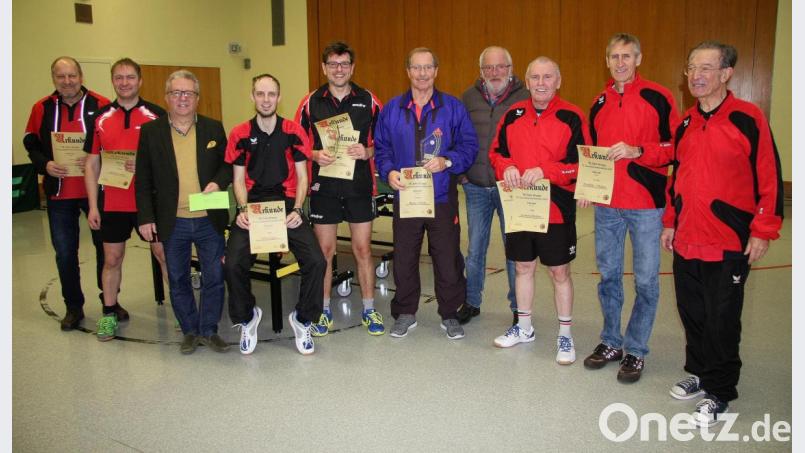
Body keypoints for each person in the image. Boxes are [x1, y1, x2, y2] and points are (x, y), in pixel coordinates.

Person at [661, 41, 783, 427]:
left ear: (726, 73)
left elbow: (769, 177)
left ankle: (720, 391)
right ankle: (699, 373)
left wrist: (763, 229)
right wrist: (670, 221)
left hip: (728, 241)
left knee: (722, 319)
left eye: (706, 68)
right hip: (687, 239)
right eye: (691, 68)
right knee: (692, 312)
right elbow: (676, 178)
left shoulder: (749, 118)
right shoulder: (685, 122)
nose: (696, 75)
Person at [581, 33, 681, 382]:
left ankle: (636, 349)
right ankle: (611, 341)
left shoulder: (659, 96)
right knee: (608, 277)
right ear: (606, 61)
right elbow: (593, 153)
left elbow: (676, 147)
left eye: (626, 56)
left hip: (646, 205)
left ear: (638, 58)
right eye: (614, 57)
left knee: (646, 281)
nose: (620, 62)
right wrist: (587, 187)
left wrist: (639, 150)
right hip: (607, 206)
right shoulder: (598, 102)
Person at [488, 57, 589, 365]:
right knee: (522, 267)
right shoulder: (513, 114)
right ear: (527, 81)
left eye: (547, 77)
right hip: (520, 207)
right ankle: (524, 326)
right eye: (535, 77)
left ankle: (566, 335)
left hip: (556, 209)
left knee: (559, 272)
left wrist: (545, 170)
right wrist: (508, 168)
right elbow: (496, 152)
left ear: (558, 81)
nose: (541, 83)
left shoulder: (572, 116)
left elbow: (580, 164)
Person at [374, 47, 478, 340]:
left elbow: (468, 146)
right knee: (405, 256)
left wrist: (447, 161)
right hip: (406, 196)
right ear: (408, 71)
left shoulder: (454, 108)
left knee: (446, 256)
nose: (422, 73)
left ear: (436, 71)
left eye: (427, 67)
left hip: (441, 197)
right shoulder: (392, 109)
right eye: (416, 68)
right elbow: (382, 149)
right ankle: (405, 312)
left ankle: (450, 312)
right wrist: (389, 171)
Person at [224, 74, 326, 355]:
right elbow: (238, 179)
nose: (266, 99)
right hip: (253, 208)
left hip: (287, 208)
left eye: (271, 94)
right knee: (232, 264)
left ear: (279, 97)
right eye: (260, 94)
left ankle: (303, 318)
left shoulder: (294, 131)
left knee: (316, 261)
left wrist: (297, 209)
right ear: (252, 97)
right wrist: (243, 211)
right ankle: (247, 317)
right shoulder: (239, 134)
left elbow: (304, 177)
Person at [135, 70, 232, 355]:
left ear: (197, 98)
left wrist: (218, 181)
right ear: (166, 98)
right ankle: (189, 330)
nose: (182, 98)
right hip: (171, 220)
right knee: (177, 278)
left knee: (214, 276)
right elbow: (143, 178)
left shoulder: (214, 128)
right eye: (176, 93)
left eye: (188, 93)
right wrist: (145, 218)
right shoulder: (151, 133)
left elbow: (228, 165)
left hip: (208, 218)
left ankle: (209, 330)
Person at [295, 41, 384, 336]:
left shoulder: (369, 100)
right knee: (325, 252)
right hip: (324, 188)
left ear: (352, 67)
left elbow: (384, 143)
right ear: (324, 68)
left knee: (362, 249)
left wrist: (367, 152)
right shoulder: (310, 103)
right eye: (333, 64)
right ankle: (323, 311)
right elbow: (296, 146)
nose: (339, 69)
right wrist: (314, 155)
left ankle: (370, 309)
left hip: (359, 186)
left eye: (344, 64)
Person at [23, 56, 111, 331]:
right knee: (65, 252)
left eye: (72, 75)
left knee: (105, 249)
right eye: (61, 76)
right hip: (59, 193)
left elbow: (113, 142)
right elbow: (31, 142)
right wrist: (44, 165)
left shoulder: (101, 104)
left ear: (81, 76)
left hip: (95, 192)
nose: (67, 81)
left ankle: (109, 302)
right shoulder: (42, 108)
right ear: (54, 79)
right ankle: (73, 307)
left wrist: (99, 159)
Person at [84, 58, 168, 341]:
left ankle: (183, 312)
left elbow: (169, 162)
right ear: (112, 81)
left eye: (130, 77)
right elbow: (91, 163)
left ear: (140, 80)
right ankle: (108, 313)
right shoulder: (100, 117)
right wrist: (93, 205)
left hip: (150, 203)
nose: (124, 82)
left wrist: (145, 165)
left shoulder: (157, 115)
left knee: (163, 255)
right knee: (112, 258)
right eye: (119, 77)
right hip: (113, 202)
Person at [459, 45, 529, 326]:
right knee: (475, 249)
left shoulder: (526, 97)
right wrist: (463, 175)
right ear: (481, 71)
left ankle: (518, 307)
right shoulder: (468, 97)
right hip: (475, 187)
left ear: (511, 70)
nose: (495, 72)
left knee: (515, 250)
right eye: (489, 67)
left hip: (511, 188)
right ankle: (472, 301)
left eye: (501, 66)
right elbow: (458, 138)